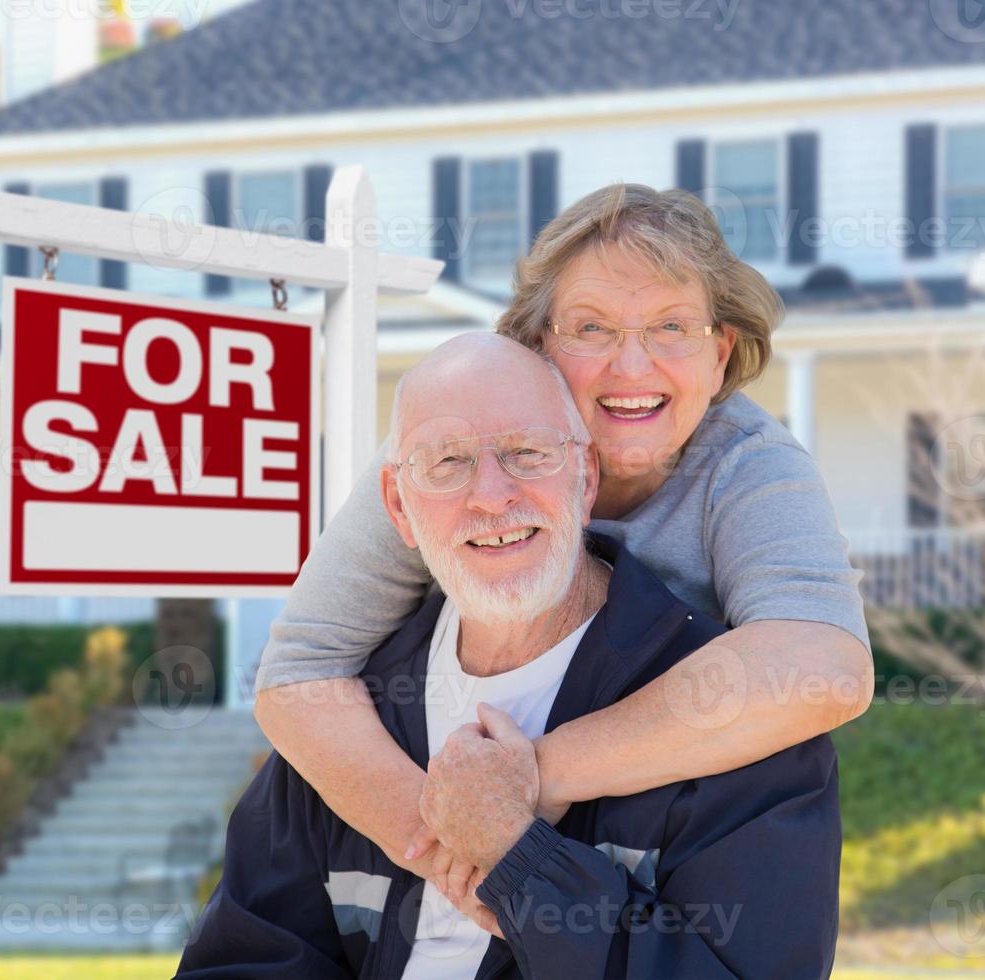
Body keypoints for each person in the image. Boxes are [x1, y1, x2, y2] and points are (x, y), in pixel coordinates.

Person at [251, 184, 871, 905]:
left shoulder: (747, 463)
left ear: (719, 352)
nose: (631, 368)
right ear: (536, 346)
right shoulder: (443, 451)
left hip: (660, 854)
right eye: (591, 328)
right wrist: (449, 852)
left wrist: (530, 777)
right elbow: (298, 672)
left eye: (671, 327)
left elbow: (822, 666)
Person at [176, 334, 841, 979]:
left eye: (527, 452)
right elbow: (245, 957)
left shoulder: (737, 725)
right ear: (397, 508)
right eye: (446, 462)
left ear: (584, 479)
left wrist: (521, 866)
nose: (490, 495)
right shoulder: (349, 722)